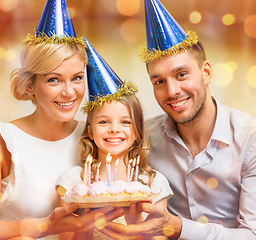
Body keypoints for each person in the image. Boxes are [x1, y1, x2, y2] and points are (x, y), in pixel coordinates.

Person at [99, 0, 256, 239]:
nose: (172, 91)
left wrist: (177, 227)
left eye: (181, 74)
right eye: (159, 82)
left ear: (206, 72)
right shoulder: (144, 136)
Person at [0, 1, 120, 239]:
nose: (69, 92)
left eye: (77, 78)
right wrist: (47, 226)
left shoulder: (96, 135)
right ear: (30, 86)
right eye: (54, 80)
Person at [55, 39, 173, 240]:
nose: (114, 130)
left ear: (137, 132)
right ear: (90, 132)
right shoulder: (74, 183)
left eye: (126, 122)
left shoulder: (153, 183)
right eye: (104, 122)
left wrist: (135, 225)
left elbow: (159, 236)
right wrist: (88, 221)